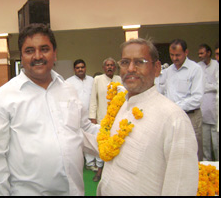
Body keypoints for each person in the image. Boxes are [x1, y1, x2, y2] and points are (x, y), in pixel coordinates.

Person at [0, 23, 99, 196]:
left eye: (44, 49)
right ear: (21, 55)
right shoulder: (2, 99)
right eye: (29, 51)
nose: (38, 56)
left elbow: (84, 129)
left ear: (55, 53)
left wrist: (118, 135)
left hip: (74, 190)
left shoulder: (68, 90)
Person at [83, 38, 199, 195]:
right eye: (125, 62)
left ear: (156, 68)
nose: (131, 68)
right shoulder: (122, 107)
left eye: (140, 62)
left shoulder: (173, 119)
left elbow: (180, 188)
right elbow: (109, 146)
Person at [161, 39, 204, 161]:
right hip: (173, 117)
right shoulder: (168, 71)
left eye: (178, 55)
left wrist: (175, 106)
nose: (174, 58)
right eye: (172, 55)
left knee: (193, 152)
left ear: (186, 52)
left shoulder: (195, 69)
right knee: (176, 152)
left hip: (191, 117)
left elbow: (197, 98)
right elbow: (165, 92)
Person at [88, 57, 122, 181]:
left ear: (115, 68)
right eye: (107, 65)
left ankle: (114, 172)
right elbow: (93, 99)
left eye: (112, 65)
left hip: (117, 118)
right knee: (101, 144)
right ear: (103, 68)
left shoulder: (119, 79)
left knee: (116, 143)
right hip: (102, 117)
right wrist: (93, 117)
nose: (109, 67)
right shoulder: (98, 79)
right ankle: (100, 170)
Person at [66, 59, 97, 172]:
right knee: (84, 137)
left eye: (82, 67)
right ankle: (89, 162)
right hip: (77, 115)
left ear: (85, 68)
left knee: (94, 136)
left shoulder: (92, 80)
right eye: (78, 68)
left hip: (92, 113)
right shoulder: (68, 82)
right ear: (74, 69)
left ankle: (97, 162)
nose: (80, 69)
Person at [198, 43, 219, 161]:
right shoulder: (198, 66)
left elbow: (217, 86)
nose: (200, 56)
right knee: (205, 145)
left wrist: (206, 87)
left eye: (202, 53)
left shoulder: (216, 65)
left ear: (208, 53)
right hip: (204, 110)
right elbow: (198, 86)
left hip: (215, 110)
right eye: (199, 53)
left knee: (216, 145)